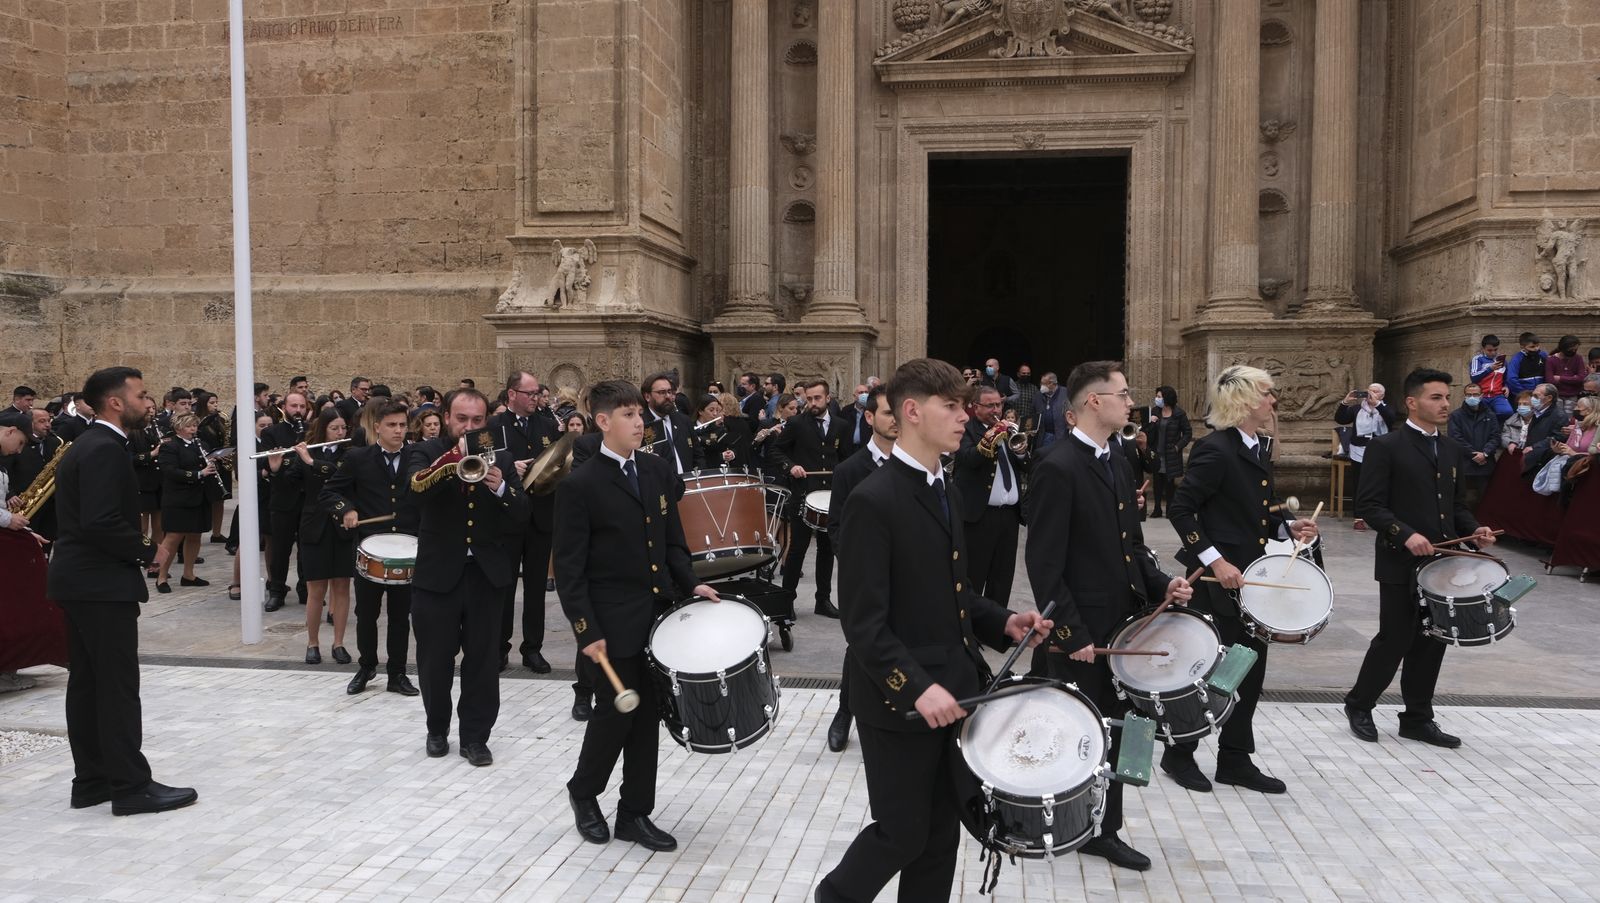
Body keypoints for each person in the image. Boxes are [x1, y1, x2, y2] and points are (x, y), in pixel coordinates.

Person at [817, 358, 1051, 903]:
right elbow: (864, 623)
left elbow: (952, 591)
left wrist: (1003, 621)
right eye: (952, 407)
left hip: (955, 687)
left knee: (942, 836)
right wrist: (917, 687)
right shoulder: (873, 500)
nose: (965, 417)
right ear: (914, 412)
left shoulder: (942, 486)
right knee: (901, 833)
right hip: (899, 702)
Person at [1023, 360, 1193, 871]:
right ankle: (1062, 818)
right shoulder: (1057, 466)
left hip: (1124, 623)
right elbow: (1045, 563)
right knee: (1079, 729)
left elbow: (1132, 545)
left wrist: (1164, 584)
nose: (1130, 402)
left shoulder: (1118, 459)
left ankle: (1103, 827)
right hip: (1084, 632)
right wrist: (1070, 632)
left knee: (1118, 728)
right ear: (1093, 402)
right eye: (1122, 394)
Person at [555, 380, 719, 852]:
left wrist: (690, 583)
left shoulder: (654, 470)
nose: (638, 421)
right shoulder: (580, 486)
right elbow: (570, 570)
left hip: (656, 617)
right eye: (627, 414)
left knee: (647, 718)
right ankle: (584, 793)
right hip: (609, 624)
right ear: (603, 422)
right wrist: (586, 630)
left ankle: (634, 813)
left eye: (639, 413)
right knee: (612, 717)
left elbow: (671, 542)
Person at [47, 367, 198, 815]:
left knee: (90, 683)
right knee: (115, 686)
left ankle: (93, 780)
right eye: (142, 394)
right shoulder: (104, 448)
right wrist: (149, 550)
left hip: (80, 581)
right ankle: (131, 787)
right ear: (116, 401)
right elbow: (101, 522)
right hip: (99, 584)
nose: (148, 402)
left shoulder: (92, 444)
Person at [1165, 364, 1319, 797]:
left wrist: (1291, 529)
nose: (1274, 402)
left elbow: (1259, 513)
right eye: (1268, 394)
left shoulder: (1257, 446)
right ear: (1247, 400)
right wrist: (1215, 562)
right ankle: (1179, 752)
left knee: (1248, 667)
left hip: (1250, 577)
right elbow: (1182, 510)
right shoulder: (1215, 449)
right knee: (1210, 668)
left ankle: (1234, 758)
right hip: (1218, 582)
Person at [1344, 368, 1497, 748]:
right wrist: (1405, 534)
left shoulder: (1450, 449)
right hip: (1400, 560)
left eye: (1447, 397)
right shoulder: (1387, 447)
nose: (1446, 404)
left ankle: (1417, 717)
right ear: (1412, 402)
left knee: (1433, 640)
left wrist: (1475, 531)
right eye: (1436, 397)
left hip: (1443, 562)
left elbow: (1455, 505)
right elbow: (1370, 505)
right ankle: (1359, 704)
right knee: (1395, 638)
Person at [403, 388, 530, 765]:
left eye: (478, 421)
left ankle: (475, 737)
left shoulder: (502, 457)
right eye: (462, 419)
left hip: (486, 576)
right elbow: (415, 490)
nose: (470, 426)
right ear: (446, 418)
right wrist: (453, 458)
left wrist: (502, 488)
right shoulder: (427, 452)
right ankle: (437, 728)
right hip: (437, 574)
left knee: (483, 661)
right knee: (434, 660)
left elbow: (523, 513)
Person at [322, 400, 419, 695]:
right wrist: (347, 510)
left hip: (407, 550)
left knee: (401, 617)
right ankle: (366, 667)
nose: (398, 431)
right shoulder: (358, 458)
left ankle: (397, 673)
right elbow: (330, 492)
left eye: (402, 425)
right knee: (367, 615)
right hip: (370, 548)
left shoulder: (417, 457)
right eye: (392, 425)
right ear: (377, 427)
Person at [821, 384, 896, 753]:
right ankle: (844, 712)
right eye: (886, 413)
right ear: (869, 418)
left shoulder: (917, 465)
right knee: (860, 645)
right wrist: (859, 565)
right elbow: (836, 528)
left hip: (907, 577)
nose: (895, 420)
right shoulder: (851, 470)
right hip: (862, 578)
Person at [495, 371, 562, 674]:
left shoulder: (547, 426)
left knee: (536, 588)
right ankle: (499, 647)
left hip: (540, 514)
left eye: (537, 394)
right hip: (507, 515)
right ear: (511, 394)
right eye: (529, 393)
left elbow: (561, 464)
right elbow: (484, 462)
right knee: (504, 585)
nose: (535, 399)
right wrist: (510, 466)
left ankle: (532, 648)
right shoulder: (495, 426)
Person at [774, 378, 849, 619]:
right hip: (804, 494)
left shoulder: (841, 425)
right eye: (809, 398)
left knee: (827, 550)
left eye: (818, 398)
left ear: (828, 398)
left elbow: (846, 457)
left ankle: (823, 600)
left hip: (831, 498)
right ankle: (787, 600)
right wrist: (791, 466)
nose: (813, 403)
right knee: (798, 549)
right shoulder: (796, 423)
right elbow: (777, 450)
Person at [284, 408, 353, 665]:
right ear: (323, 429)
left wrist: (312, 464)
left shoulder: (351, 454)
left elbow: (339, 475)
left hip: (342, 525)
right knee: (316, 589)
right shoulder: (308, 451)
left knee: (342, 587)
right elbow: (292, 482)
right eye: (335, 428)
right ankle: (312, 643)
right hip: (314, 525)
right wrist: (282, 464)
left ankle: (339, 643)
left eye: (343, 428)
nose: (340, 433)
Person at [951, 385, 1024, 606]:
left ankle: (998, 629)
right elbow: (969, 458)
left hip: (1009, 515)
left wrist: (1021, 452)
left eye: (999, 404)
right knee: (975, 575)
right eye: (990, 405)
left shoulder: (1010, 429)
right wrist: (993, 436)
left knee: (1002, 578)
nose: (996, 409)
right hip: (979, 515)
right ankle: (970, 632)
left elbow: (1028, 465)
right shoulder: (965, 429)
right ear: (975, 407)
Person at [152, 413, 214, 593]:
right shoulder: (170, 446)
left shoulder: (201, 444)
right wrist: (198, 474)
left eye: (194, 425)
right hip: (178, 499)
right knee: (172, 538)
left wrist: (212, 463)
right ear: (178, 428)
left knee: (195, 535)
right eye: (189, 426)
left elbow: (204, 464)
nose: (193, 429)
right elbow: (170, 471)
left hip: (199, 496)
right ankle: (161, 576)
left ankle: (188, 574)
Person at [263, 391, 311, 611]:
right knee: (281, 549)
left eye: (301, 406)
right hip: (283, 498)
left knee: (307, 547)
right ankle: (277, 590)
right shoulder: (272, 432)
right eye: (294, 406)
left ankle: (306, 589)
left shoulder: (312, 431)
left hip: (308, 498)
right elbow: (269, 465)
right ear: (284, 407)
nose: (298, 410)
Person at [1335, 383, 1400, 530]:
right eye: (1369, 391)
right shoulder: (1358, 409)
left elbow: (1391, 418)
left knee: (1382, 483)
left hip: (1382, 450)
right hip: (1359, 449)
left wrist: (1376, 404)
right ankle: (1358, 517)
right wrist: (1345, 402)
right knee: (1359, 483)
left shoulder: (1386, 408)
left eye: (1375, 391)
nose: (1371, 393)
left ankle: (1382, 515)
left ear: (1382, 395)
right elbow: (1341, 419)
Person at [1447, 382, 1500, 510]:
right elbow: (1455, 438)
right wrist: (1473, 454)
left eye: (1475, 394)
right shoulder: (1456, 416)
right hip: (1464, 465)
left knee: (1487, 498)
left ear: (1481, 395)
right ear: (1464, 396)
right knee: (1463, 499)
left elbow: (1496, 437)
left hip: (1486, 464)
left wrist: (1485, 453)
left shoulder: (1490, 415)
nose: (1472, 397)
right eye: (1469, 394)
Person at [1142, 385, 1192, 517]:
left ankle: (1170, 509)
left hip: (1171, 454)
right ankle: (1157, 509)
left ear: (1167, 398)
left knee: (1169, 482)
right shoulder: (1154, 411)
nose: (1156, 399)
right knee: (1157, 481)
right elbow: (1146, 431)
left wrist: (1177, 447)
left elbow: (1187, 433)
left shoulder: (1179, 414)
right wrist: (1151, 422)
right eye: (1157, 396)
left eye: (1159, 397)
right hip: (1156, 453)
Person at [640, 373, 693, 476]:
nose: (668, 396)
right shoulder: (641, 424)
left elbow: (698, 455)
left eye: (670, 392)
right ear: (647, 396)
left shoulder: (684, 421)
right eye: (662, 392)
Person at [1469, 334, 1513, 419]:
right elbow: (1473, 377)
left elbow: (1505, 376)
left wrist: (1505, 386)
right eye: (1489, 350)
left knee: (1507, 412)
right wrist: (1490, 369)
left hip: (1497, 395)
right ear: (1483, 349)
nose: (1493, 353)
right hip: (1481, 395)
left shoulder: (1501, 360)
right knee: (1480, 416)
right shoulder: (1478, 359)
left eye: (1495, 350)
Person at [1544, 334, 1587, 419]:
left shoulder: (1578, 358)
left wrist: (1560, 378)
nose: (1574, 352)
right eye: (1571, 350)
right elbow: (1550, 380)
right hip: (1557, 394)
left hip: (1572, 395)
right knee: (1557, 417)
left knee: (1569, 418)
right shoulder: (1551, 360)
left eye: (1576, 349)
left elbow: (1580, 378)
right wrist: (1573, 378)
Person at [1506, 332, 1547, 398]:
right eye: (1532, 347)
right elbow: (1511, 379)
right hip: (1524, 394)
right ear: (1522, 346)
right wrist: (1523, 393)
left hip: (1541, 393)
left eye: (1537, 346)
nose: (1536, 349)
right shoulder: (1516, 359)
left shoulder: (1543, 355)